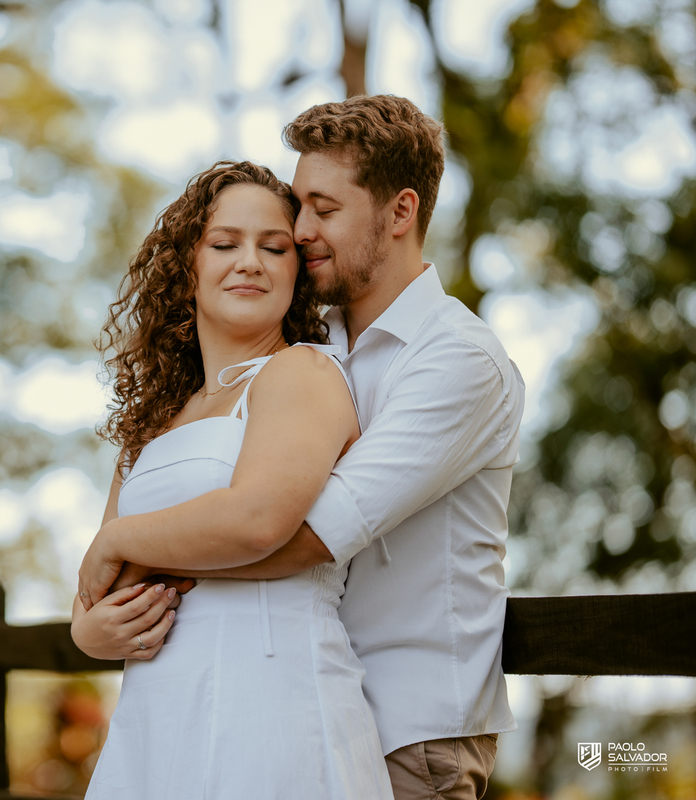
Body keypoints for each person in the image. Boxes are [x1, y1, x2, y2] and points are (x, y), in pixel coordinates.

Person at [77, 95, 525, 800]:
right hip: (221, 701)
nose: (302, 229)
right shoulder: (322, 340)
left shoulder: (457, 360)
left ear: (400, 212)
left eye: (323, 209)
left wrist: (123, 555)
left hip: (411, 723)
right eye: (300, 211)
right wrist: (91, 626)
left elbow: (304, 534)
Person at [71, 160, 394, 799]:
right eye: (224, 244)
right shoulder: (151, 423)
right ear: (186, 267)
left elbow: (257, 520)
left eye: (274, 248)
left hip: (271, 705)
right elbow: (93, 594)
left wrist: (117, 541)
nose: (250, 262)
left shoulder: (301, 373)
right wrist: (88, 633)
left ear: (297, 272)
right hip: (157, 719)